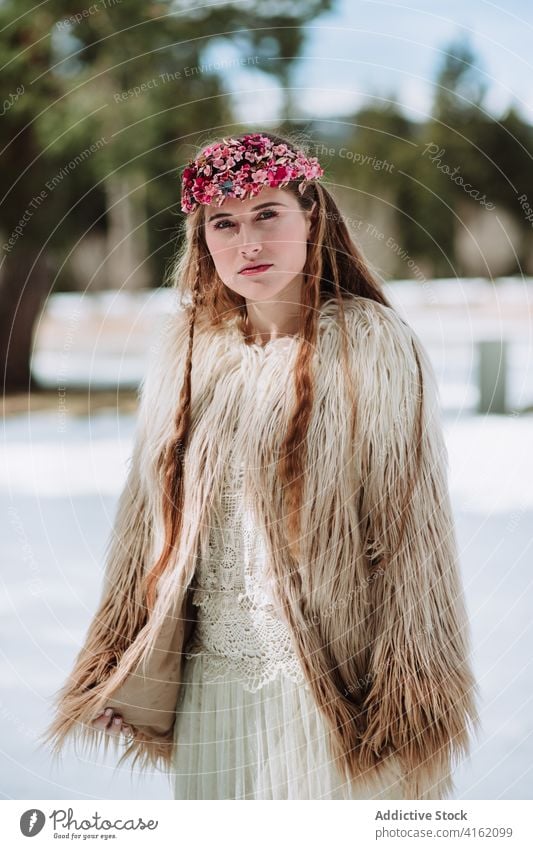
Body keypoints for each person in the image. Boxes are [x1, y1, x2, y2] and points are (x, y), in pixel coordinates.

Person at [41, 131, 478, 800]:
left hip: (330, 685)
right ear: (203, 240)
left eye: (267, 215)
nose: (247, 243)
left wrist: (410, 693)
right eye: (224, 222)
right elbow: (144, 525)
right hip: (211, 686)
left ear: (312, 216)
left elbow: (410, 534)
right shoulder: (188, 353)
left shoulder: (372, 346)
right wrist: (120, 656)